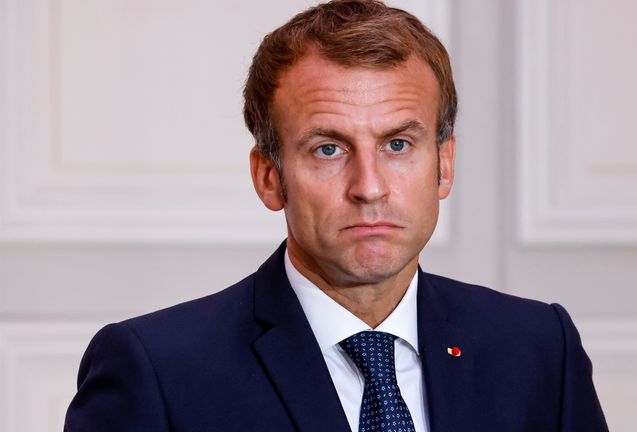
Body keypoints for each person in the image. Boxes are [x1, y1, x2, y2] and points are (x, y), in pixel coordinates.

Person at [64, 1, 608, 431]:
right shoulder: (156, 370)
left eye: (397, 144)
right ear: (269, 178)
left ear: (444, 167)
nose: (368, 187)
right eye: (329, 149)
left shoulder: (540, 348)